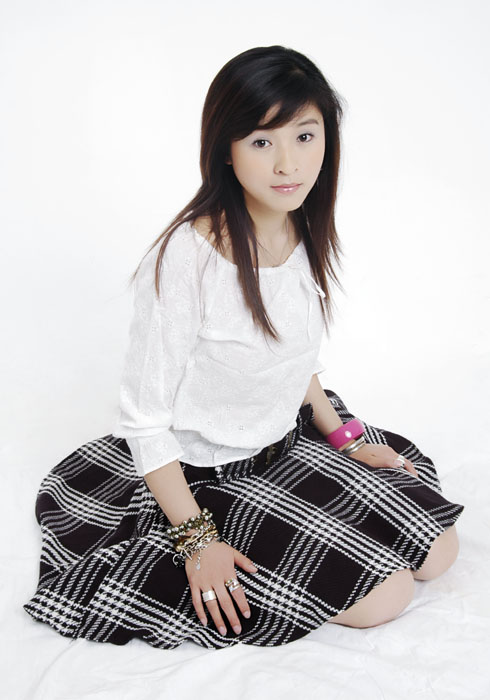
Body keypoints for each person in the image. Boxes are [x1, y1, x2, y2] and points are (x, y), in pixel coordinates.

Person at [23, 45, 465, 650]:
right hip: (203, 478)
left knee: (440, 551)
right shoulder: (187, 258)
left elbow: (293, 356)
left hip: (285, 440)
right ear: (225, 150)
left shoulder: (298, 221)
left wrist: (344, 439)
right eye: (262, 141)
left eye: (305, 136)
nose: (288, 164)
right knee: (385, 598)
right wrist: (197, 542)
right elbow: (145, 420)